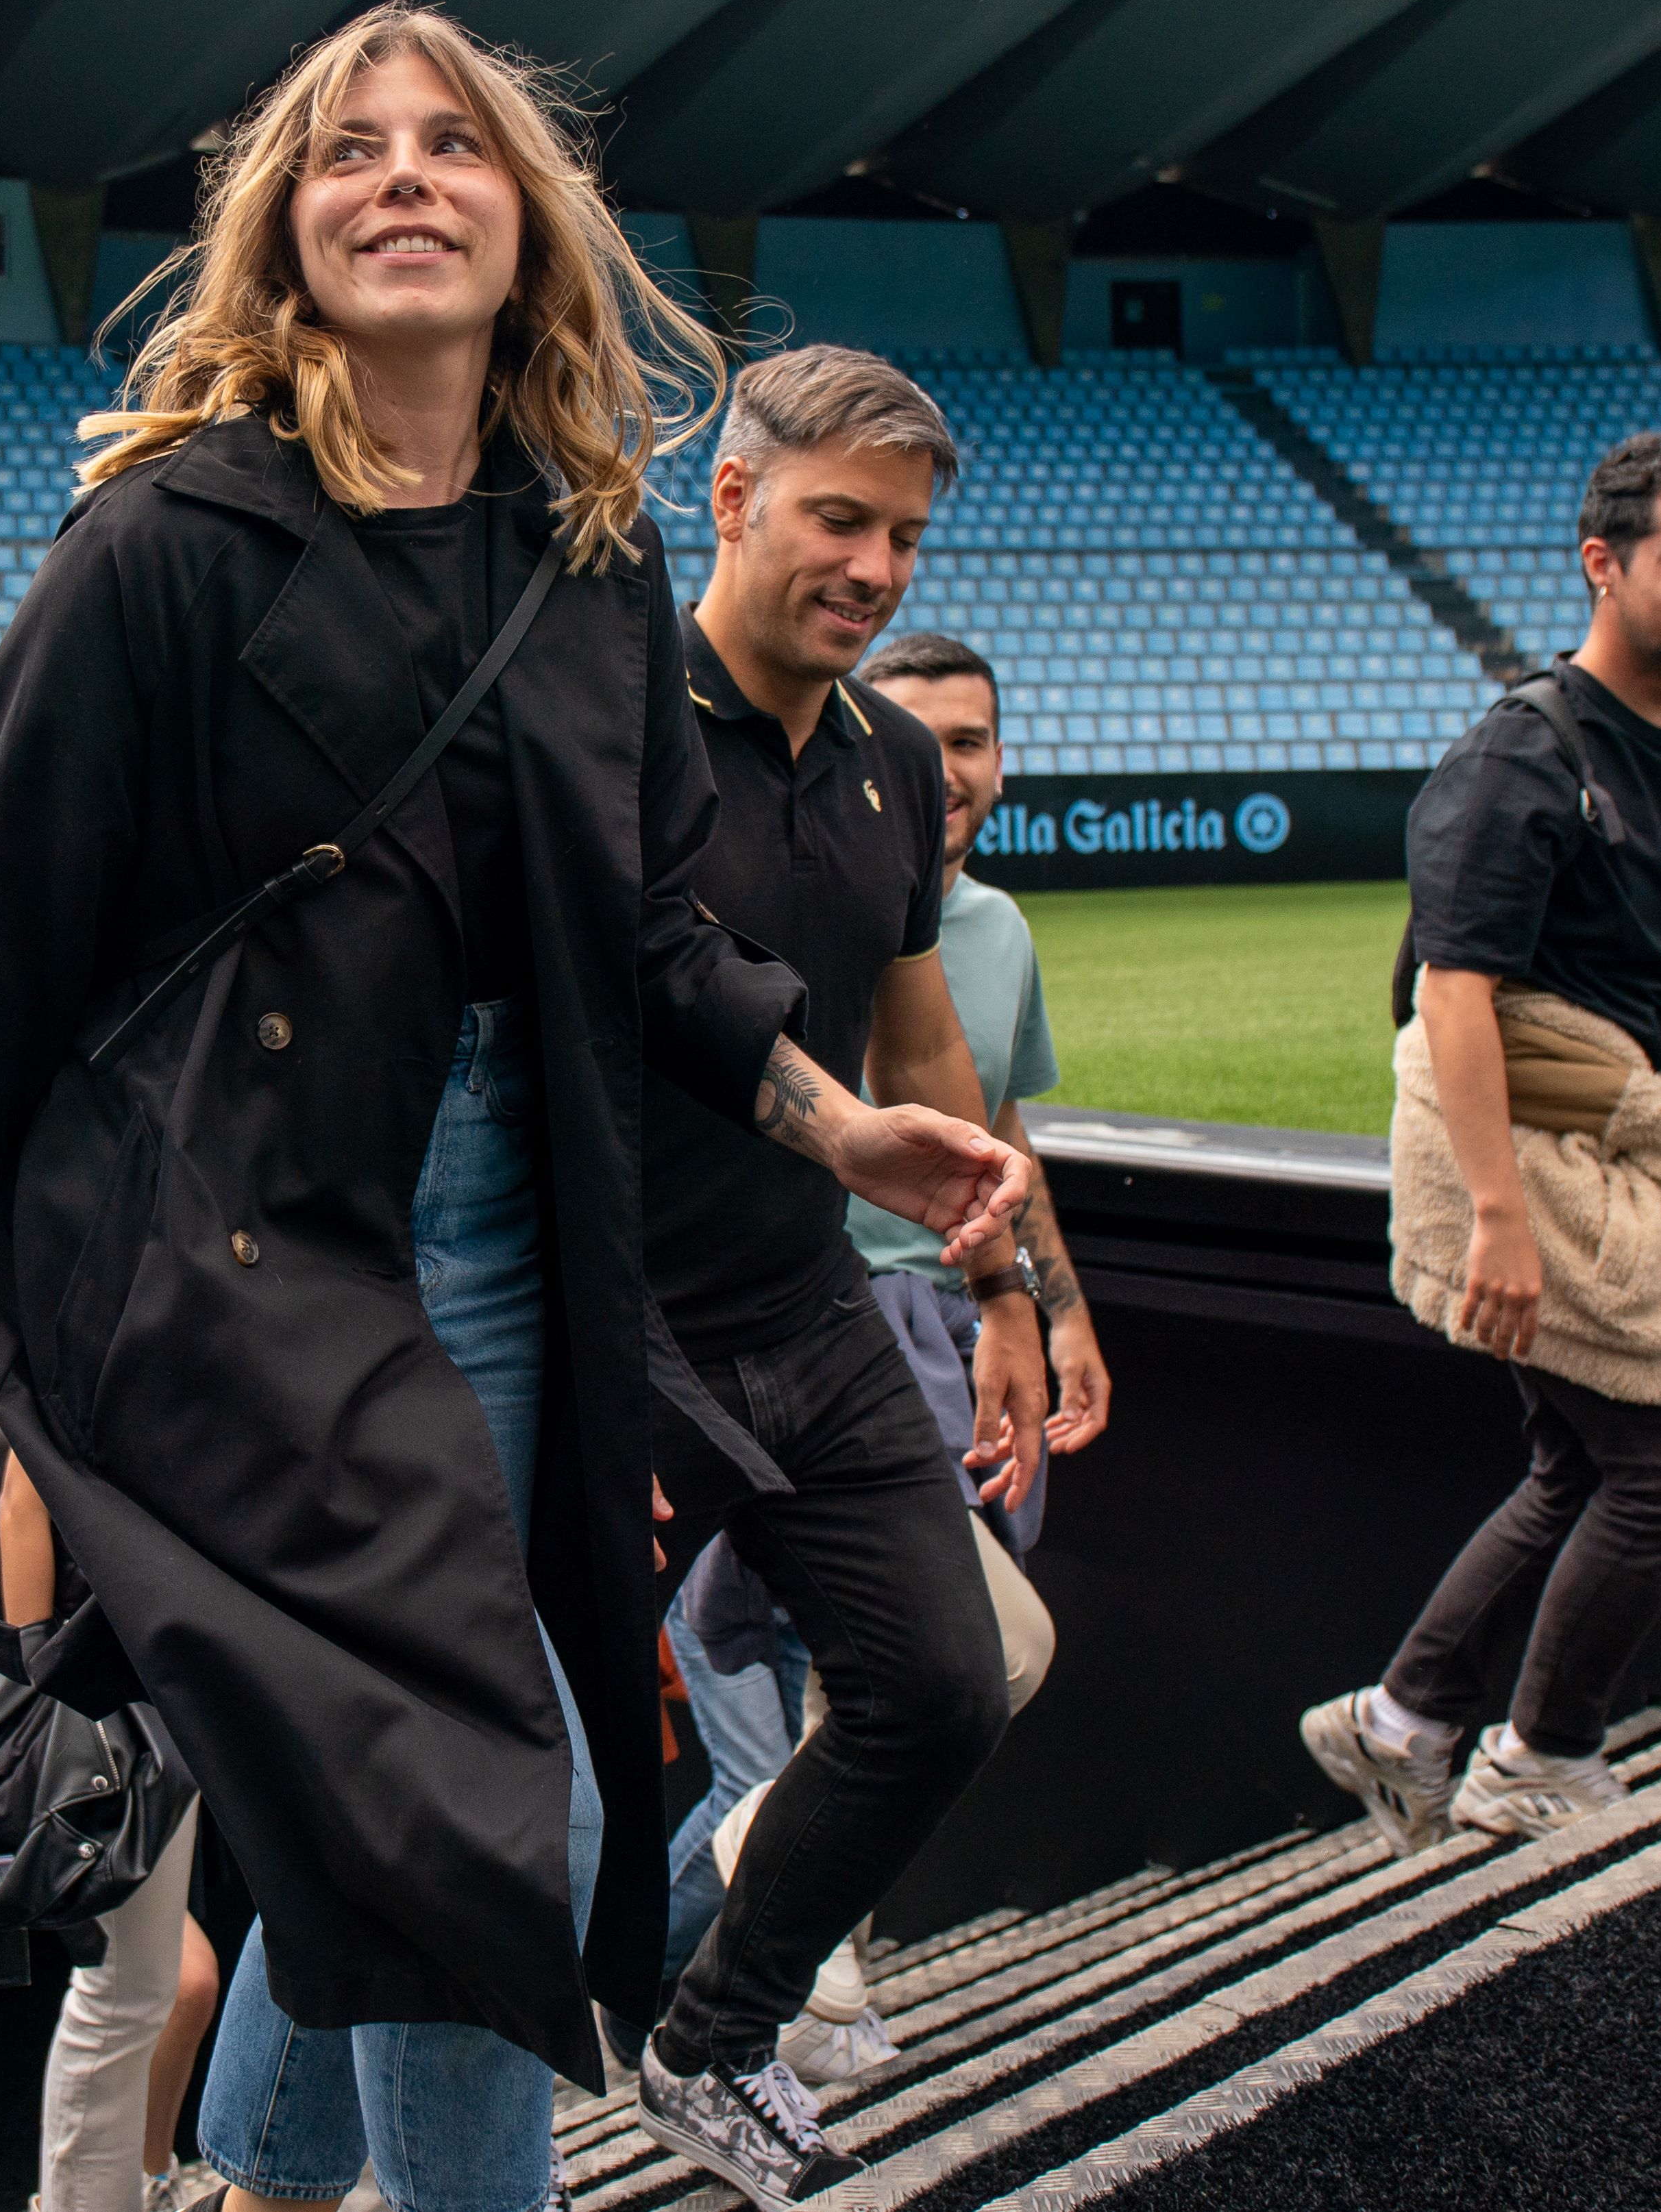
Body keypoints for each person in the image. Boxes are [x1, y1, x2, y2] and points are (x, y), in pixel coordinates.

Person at [0, 3, 1024, 2212]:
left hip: (505, 1236)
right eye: (348, 148)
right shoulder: (160, 543)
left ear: (524, 225)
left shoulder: (586, 556)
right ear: (287, 232)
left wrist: (830, 1123)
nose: (400, 174)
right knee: (507, 1821)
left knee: (411, 1797)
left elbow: (655, 932)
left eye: (451, 145)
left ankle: (264, 2180)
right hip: (229, 1252)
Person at [624, 346, 1049, 2207]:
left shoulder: (886, 756)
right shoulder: (609, 708)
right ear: (729, 502)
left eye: (901, 535)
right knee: (499, 1779)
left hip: (805, 1308)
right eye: (835, 519)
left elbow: (925, 1047)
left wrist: (1005, 1286)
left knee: (944, 1682)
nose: (873, 567)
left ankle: (711, 2036)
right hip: (605, 1327)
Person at [1304, 432, 1661, 1856]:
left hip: (1640, 1138)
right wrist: (1490, 1211)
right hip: (1532, 1146)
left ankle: (1405, 1718)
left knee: (1577, 1464)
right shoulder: (1520, 751)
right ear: (1601, 562)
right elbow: (1452, 987)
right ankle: (1534, 1755)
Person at [850, 627, 1114, 1554]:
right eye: (913, 741)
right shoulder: (813, 905)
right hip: (845, 1323)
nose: (942, 769)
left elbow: (999, 1125)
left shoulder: (1002, 926)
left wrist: (1063, 1312)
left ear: (1000, 761)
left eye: (966, 742)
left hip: (977, 1321)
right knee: (975, 1646)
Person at [0, 1455, 230, 2212]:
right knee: (131, 1985)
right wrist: (43, 1693)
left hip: (175, 1670)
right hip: (119, 1688)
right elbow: (23, 1494)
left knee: (152, 1983)